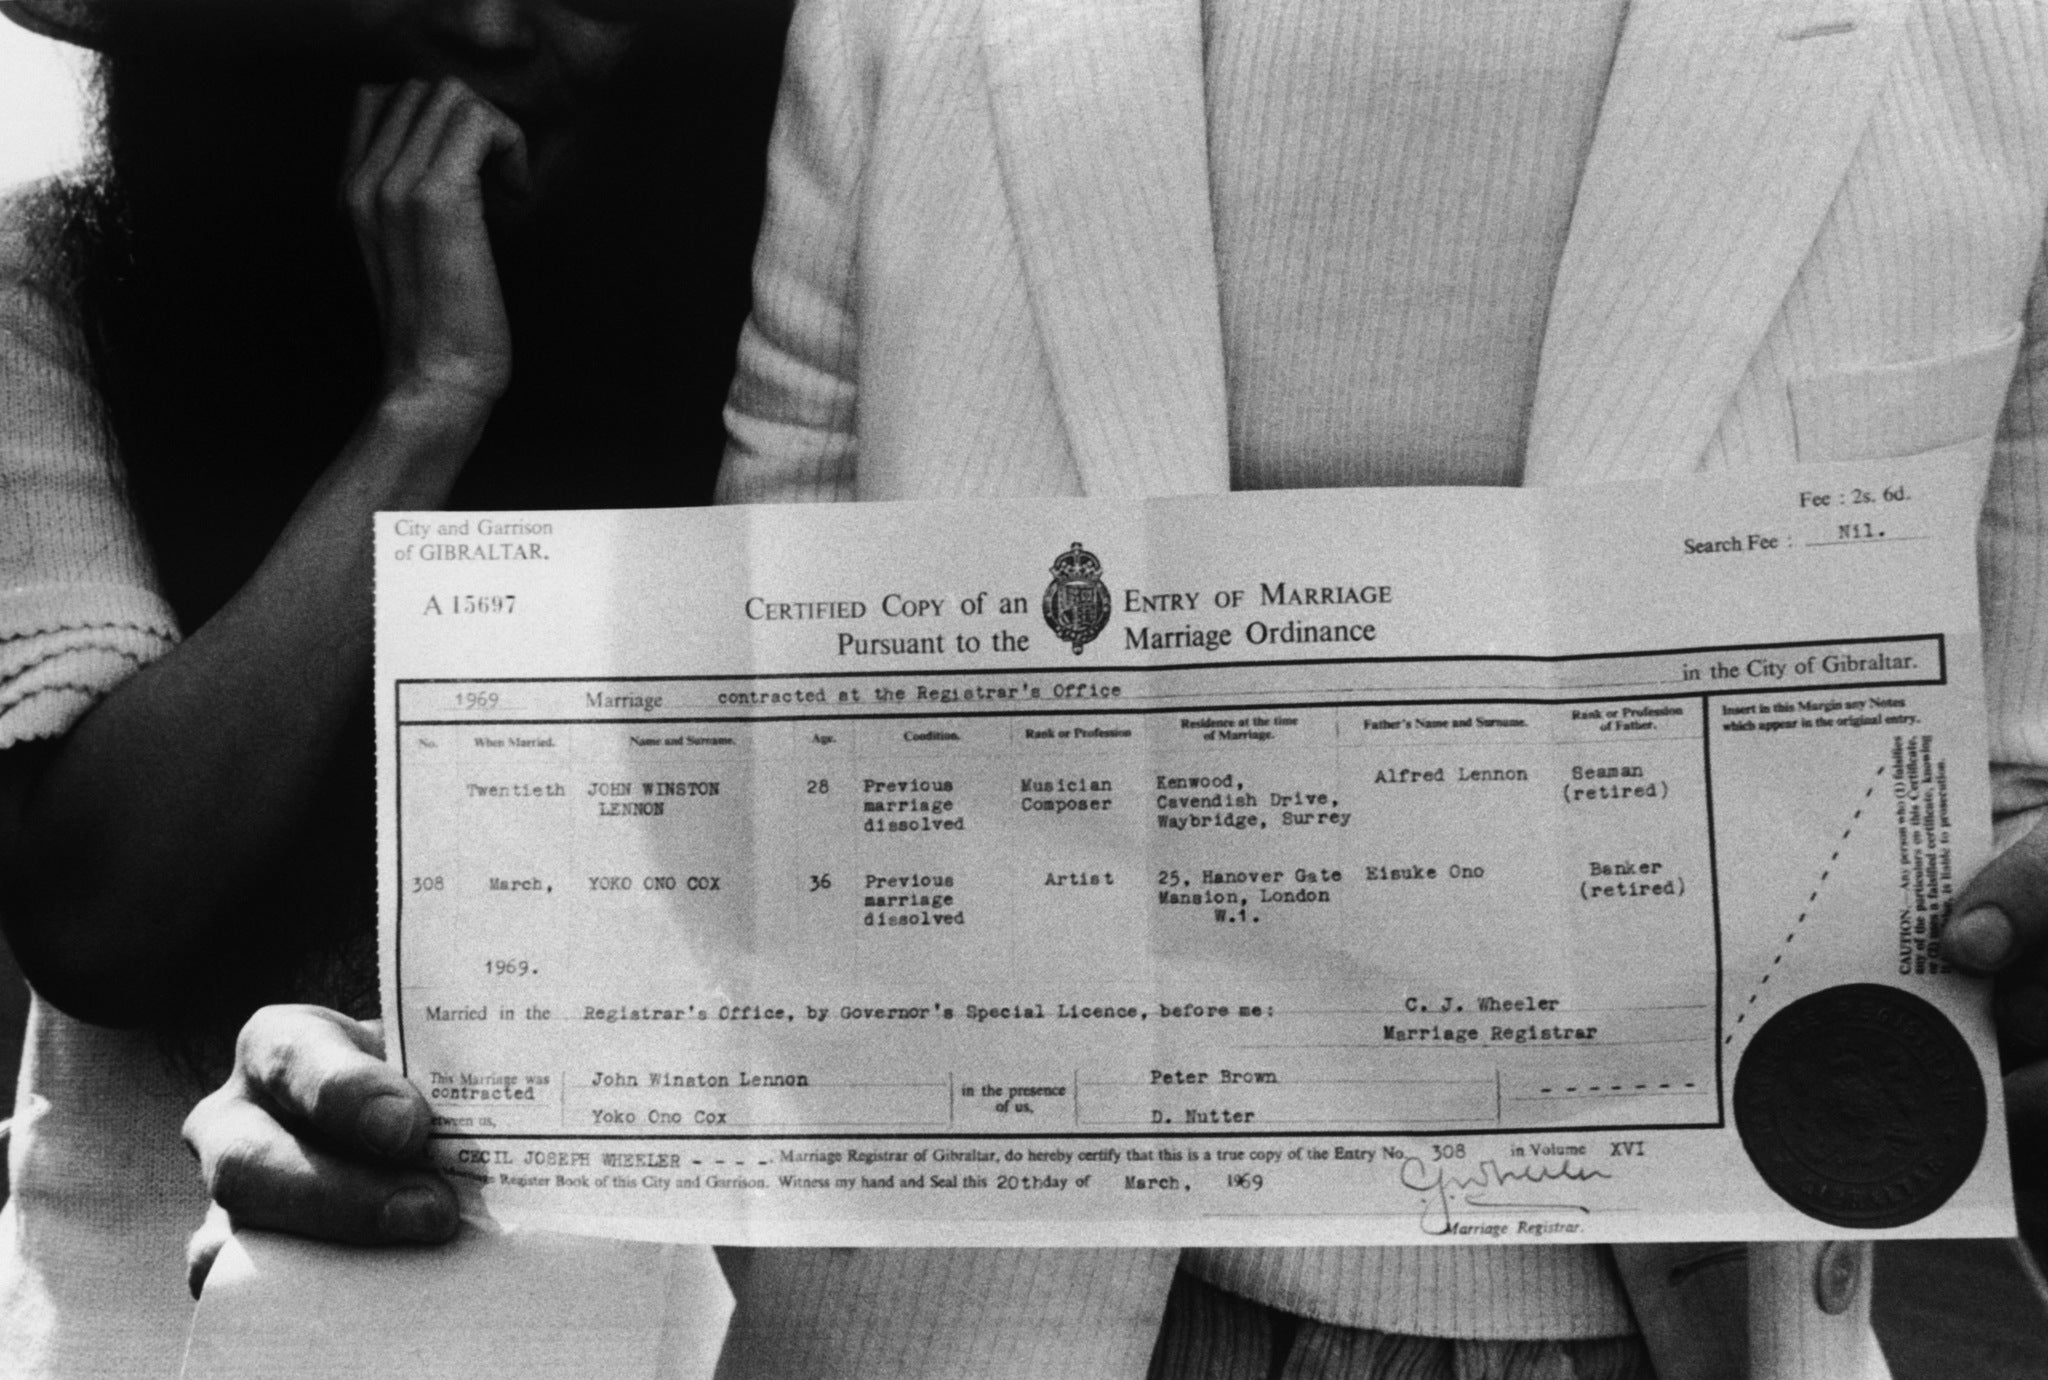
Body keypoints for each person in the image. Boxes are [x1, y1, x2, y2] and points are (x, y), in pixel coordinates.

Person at [183, 1, 2048, 1378]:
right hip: (960, 1325)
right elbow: (763, 728)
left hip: (1698, 1316)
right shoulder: (908, 24)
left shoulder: (1994, 48)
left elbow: (2017, 784)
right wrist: (464, 1045)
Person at [0, 0, 788, 1374]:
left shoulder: (800, 286)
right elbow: (104, 918)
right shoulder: (56, 278)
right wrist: (425, 407)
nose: (484, 20)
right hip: (163, 1317)